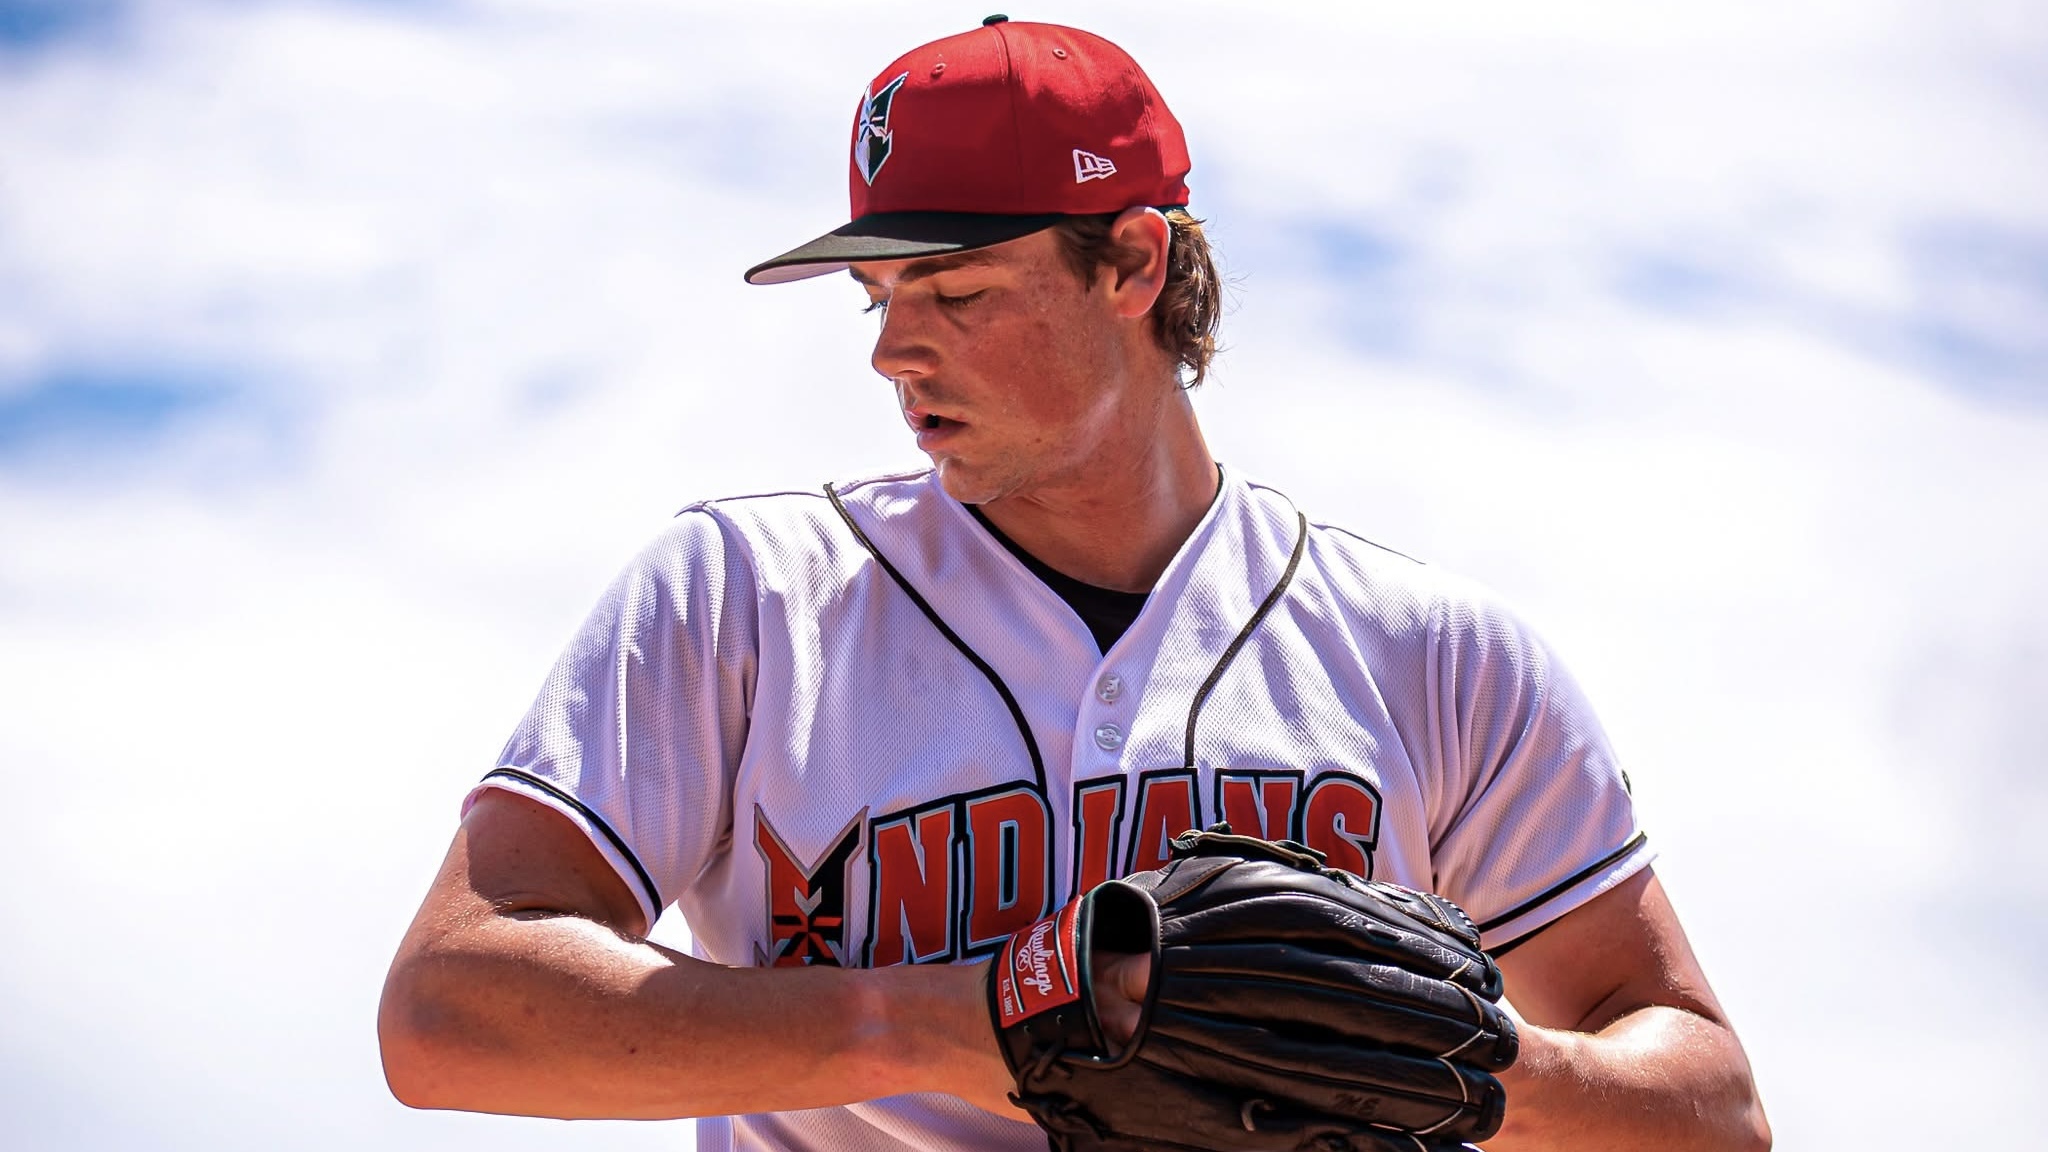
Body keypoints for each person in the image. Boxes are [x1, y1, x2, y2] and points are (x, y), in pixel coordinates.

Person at [379, 16, 1770, 1152]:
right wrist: (949, 1022)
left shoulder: (1432, 655)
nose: (892, 353)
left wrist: (1458, 1065)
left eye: (956, 292)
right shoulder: (748, 599)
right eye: (878, 298)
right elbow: (449, 1007)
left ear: (1135, 262)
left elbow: (1710, 1107)